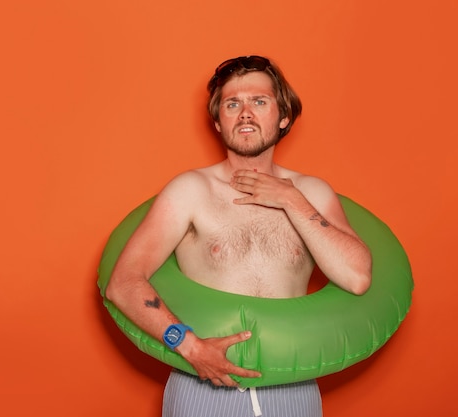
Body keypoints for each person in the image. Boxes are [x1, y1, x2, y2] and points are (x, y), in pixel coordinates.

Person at [105, 55, 372, 417]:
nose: (245, 112)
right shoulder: (190, 190)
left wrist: (291, 200)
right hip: (200, 381)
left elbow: (357, 277)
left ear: (283, 117)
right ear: (218, 122)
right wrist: (190, 347)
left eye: (259, 102)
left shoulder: (312, 192)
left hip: (293, 382)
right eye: (233, 104)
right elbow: (123, 282)